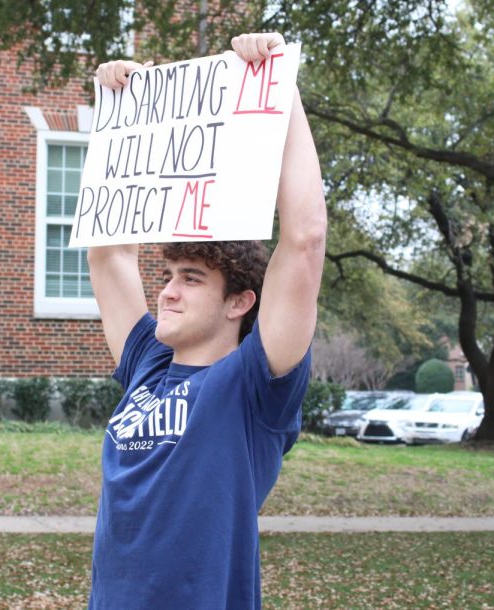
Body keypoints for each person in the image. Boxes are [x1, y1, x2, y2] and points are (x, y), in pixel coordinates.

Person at [86, 33, 327, 608]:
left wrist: (278, 85)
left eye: (191, 279)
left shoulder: (254, 385)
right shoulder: (148, 362)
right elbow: (108, 254)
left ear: (240, 302)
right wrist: (121, 117)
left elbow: (305, 236)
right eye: (168, 275)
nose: (166, 292)